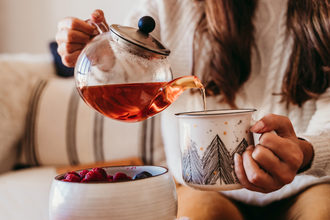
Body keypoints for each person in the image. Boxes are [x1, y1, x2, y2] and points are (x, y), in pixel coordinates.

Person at [56, 0, 330, 219]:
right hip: (201, 188)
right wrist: (98, 57)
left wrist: (306, 151)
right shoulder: (167, 6)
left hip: (306, 184)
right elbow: (124, 67)